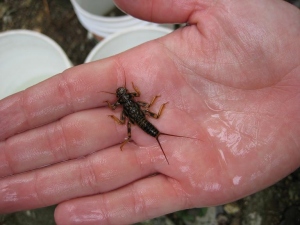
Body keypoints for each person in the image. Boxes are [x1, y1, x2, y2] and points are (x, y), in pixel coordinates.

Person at [0, 0, 299, 224]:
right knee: (144, 119)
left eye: (122, 94)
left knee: (140, 121)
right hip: (143, 121)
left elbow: (125, 110)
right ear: (124, 95)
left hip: (141, 122)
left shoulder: (125, 103)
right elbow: (133, 106)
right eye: (121, 95)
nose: (122, 96)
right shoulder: (130, 100)